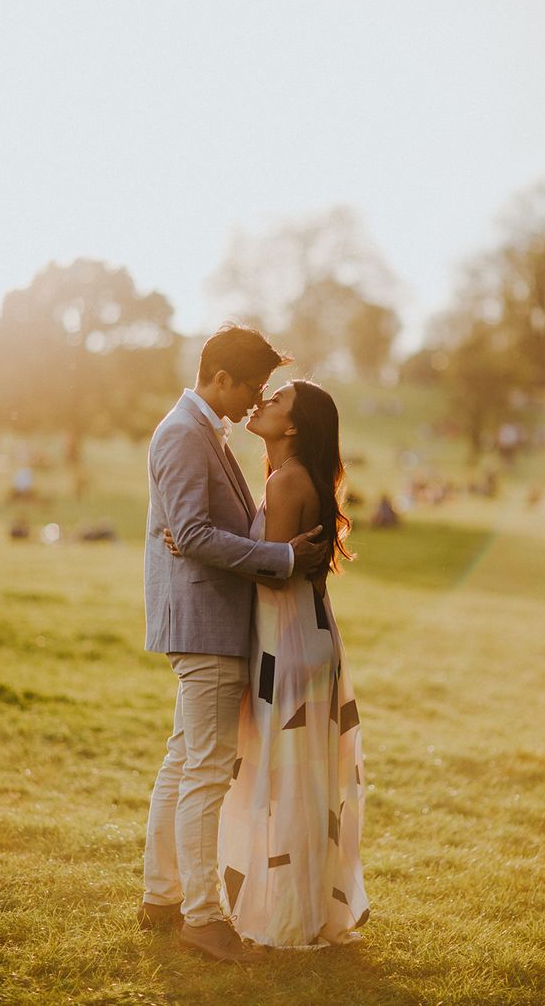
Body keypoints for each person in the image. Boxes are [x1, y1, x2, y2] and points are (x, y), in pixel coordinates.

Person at [139, 325, 328, 963]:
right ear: (221, 377)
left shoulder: (203, 431)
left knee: (183, 760)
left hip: (210, 619)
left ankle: (162, 895)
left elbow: (191, 530)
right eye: (250, 386)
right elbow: (190, 532)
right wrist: (278, 557)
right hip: (207, 622)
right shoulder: (181, 434)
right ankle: (200, 916)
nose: (255, 400)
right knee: (208, 772)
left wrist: (200, 537)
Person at [214, 380, 369, 947]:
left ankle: (288, 916)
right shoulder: (291, 478)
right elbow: (277, 560)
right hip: (303, 635)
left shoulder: (288, 482)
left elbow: (270, 568)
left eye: (275, 401)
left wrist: (198, 547)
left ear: (295, 425)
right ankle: (298, 908)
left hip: (290, 642)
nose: (260, 405)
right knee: (297, 780)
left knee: (285, 779)